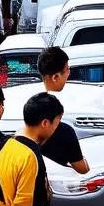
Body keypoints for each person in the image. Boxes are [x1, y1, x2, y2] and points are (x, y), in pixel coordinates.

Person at [37, 47, 89, 175]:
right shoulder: (63, 126)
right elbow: (82, 169)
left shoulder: (30, 105)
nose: (68, 73)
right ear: (55, 77)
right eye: (67, 70)